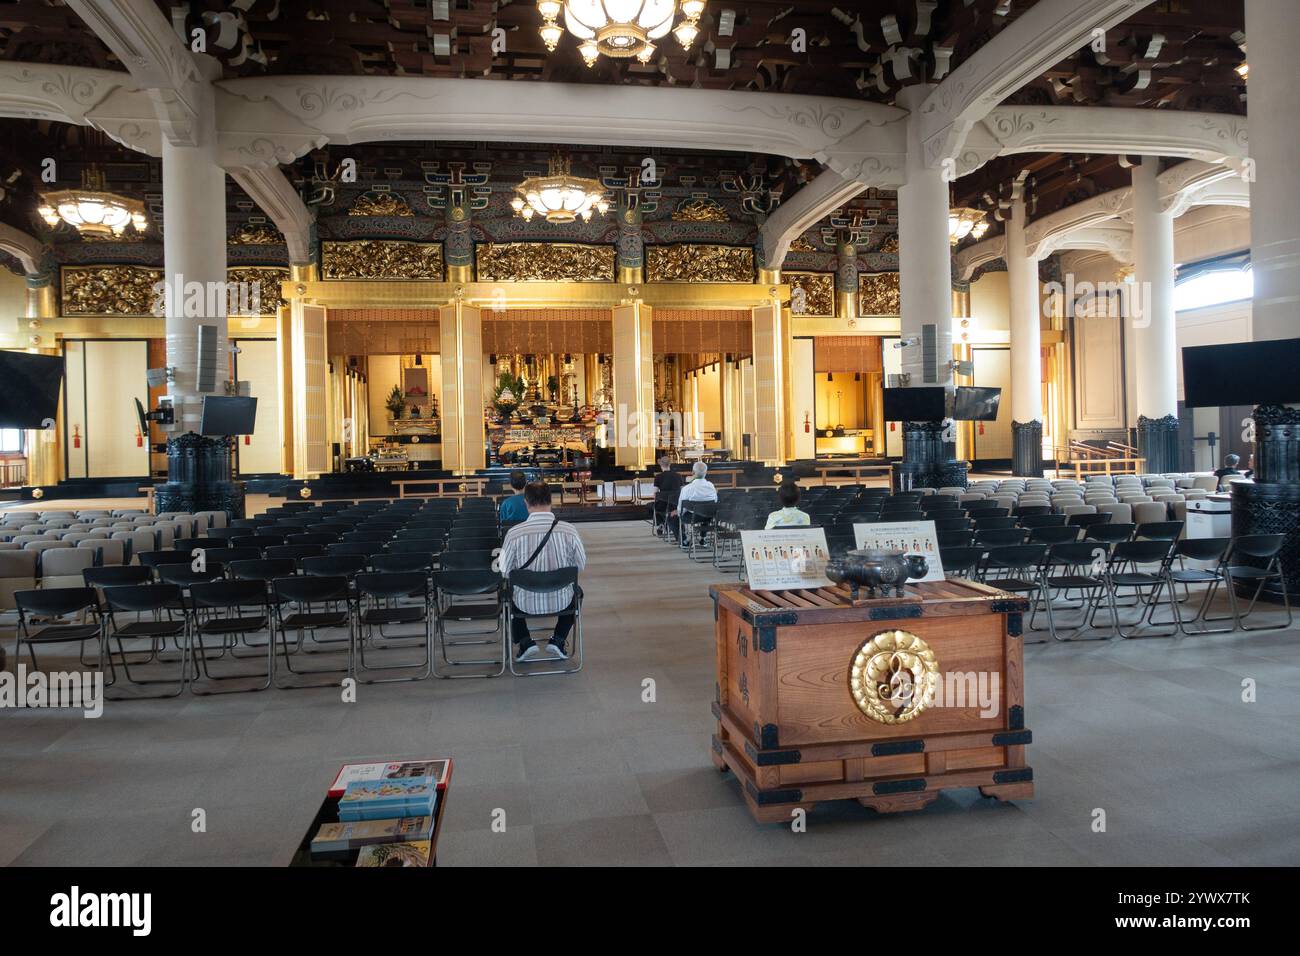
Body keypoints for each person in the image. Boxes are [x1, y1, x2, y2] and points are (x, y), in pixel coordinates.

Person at [498, 481, 587, 661]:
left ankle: (525, 641)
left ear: (526, 503)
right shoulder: (569, 530)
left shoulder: (514, 533)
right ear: (551, 501)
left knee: (505, 593)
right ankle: (559, 638)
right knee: (578, 593)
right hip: (561, 600)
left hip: (524, 602)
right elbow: (580, 565)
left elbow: (505, 569)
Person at [670, 460, 718, 543]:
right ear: (706, 473)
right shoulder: (711, 486)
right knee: (707, 509)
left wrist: (677, 512)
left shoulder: (687, 488)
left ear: (693, 472)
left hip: (693, 517)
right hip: (708, 517)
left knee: (671, 517)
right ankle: (703, 537)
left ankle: (684, 541)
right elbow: (715, 501)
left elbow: (681, 508)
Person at [651, 456, 684, 533]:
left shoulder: (658, 477)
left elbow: (655, 495)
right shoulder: (678, 476)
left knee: (651, 506)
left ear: (661, 465)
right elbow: (683, 492)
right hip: (676, 505)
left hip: (663, 505)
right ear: (670, 464)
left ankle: (661, 523)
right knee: (661, 507)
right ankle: (667, 523)